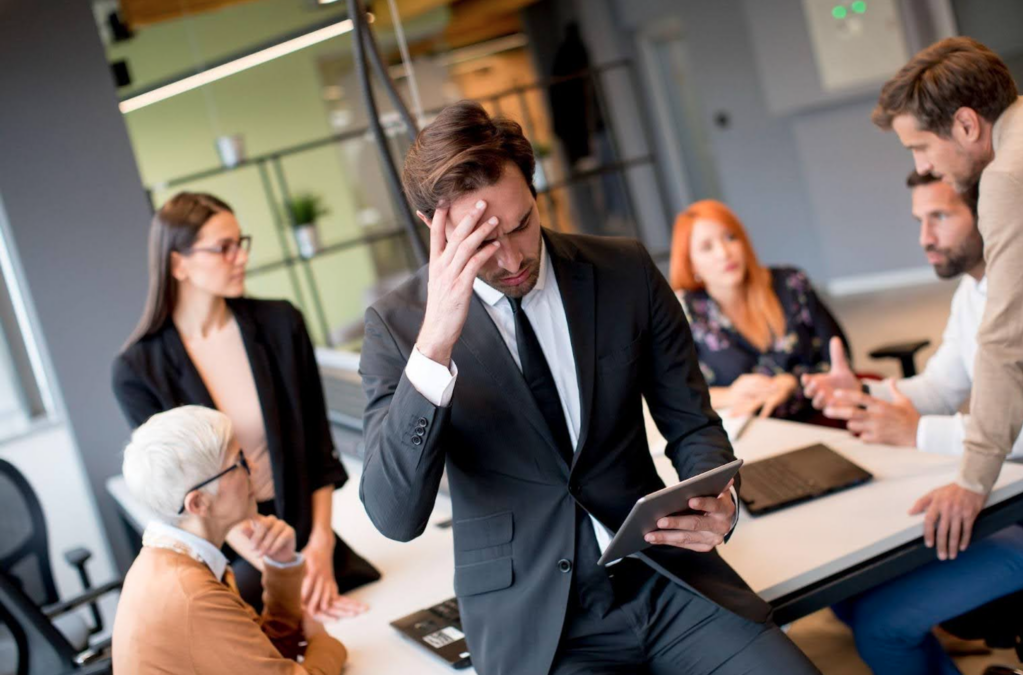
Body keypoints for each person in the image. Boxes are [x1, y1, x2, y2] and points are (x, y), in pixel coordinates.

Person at [358, 101, 820, 675]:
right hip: (539, 625)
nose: (511, 259)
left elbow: (693, 422)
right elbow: (393, 516)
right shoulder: (398, 328)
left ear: (534, 191)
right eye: (481, 242)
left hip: (666, 580)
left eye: (521, 224)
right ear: (434, 227)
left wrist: (715, 499)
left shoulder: (623, 270)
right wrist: (434, 347)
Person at [804, 172, 1023, 675]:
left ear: (990, 215)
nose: (925, 237)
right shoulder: (974, 293)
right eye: (920, 220)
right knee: (852, 592)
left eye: (941, 216)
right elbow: (937, 389)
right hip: (1009, 500)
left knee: (880, 627)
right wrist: (862, 394)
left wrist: (917, 433)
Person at [111, 192, 371, 618]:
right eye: (223, 248)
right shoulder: (138, 370)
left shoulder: (281, 323)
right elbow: (186, 493)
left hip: (306, 531)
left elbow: (317, 448)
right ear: (179, 264)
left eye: (240, 243)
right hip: (232, 549)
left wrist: (318, 544)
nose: (241, 258)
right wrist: (281, 568)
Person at [870, 37, 1023, 562]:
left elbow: (1007, 345)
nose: (925, 165)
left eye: (920, 147)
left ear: (966, 124)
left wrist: (972, 479)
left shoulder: (1013, 178)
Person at [112, 405, 347, 674]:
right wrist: (326, 644)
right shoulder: (191, 593)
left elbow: (265, 652)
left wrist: (281, 566)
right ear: (199, 503)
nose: (254, 468)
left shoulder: (177, 559)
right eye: (240, 463)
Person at [670, 199, 846, 420]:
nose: (724, 253)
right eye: (707, 247)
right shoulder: (683, 310)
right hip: (747, 430)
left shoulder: (791, 284)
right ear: (691, 263)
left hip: (815, 416)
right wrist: (730, 394)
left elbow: (840, 360)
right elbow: (672, 394)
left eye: (730, 237)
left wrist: (793, 383)